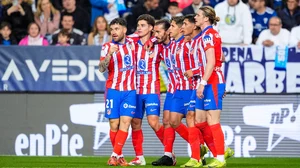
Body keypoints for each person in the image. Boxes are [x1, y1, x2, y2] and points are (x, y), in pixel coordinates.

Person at [99, 18, 136, 167]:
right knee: (114, 124)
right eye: (112, 29)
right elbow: (101, 68)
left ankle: (113, 155)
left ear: (124, 30)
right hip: (113, 90)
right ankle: (120, 156)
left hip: (130, 91)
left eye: (117, 29)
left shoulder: (133, 44)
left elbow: (147, 36)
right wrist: (109, 55)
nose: (114, 32)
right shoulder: (107, 46)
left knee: (125, 123)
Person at [129, 14, 164, 166]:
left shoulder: (158, 45)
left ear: (151, 28)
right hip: (135, 91)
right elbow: (121, 36)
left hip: (151, 90)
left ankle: (169, 153)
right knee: (135, 123)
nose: (139, 28)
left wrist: (154, 39)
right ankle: (139, 157)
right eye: (138, 25)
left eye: (143, 25)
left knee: (153, 122)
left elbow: (167, 36)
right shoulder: (132, 43)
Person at [194, 6, 226, 168]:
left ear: (206, 18)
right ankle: (212, 149)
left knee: (213, 120)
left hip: (211, 81)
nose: (196, 17)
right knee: (199, 120)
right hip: (209, 79)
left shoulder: (208, 35)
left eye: (198, 15)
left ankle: (220, 157)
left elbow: (212, 61)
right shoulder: (208, 34)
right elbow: (221, 57)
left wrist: (203, 82)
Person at [151, 19, 177, 166]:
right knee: (167, 121)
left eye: (158, 31)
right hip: (172, 89)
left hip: (187, 88)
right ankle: (168, 155)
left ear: (167, 31)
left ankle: (201, 148)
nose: (155, 35)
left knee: (194, 122)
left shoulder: (178, 44)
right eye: (154, 32)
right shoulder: (161, 46)